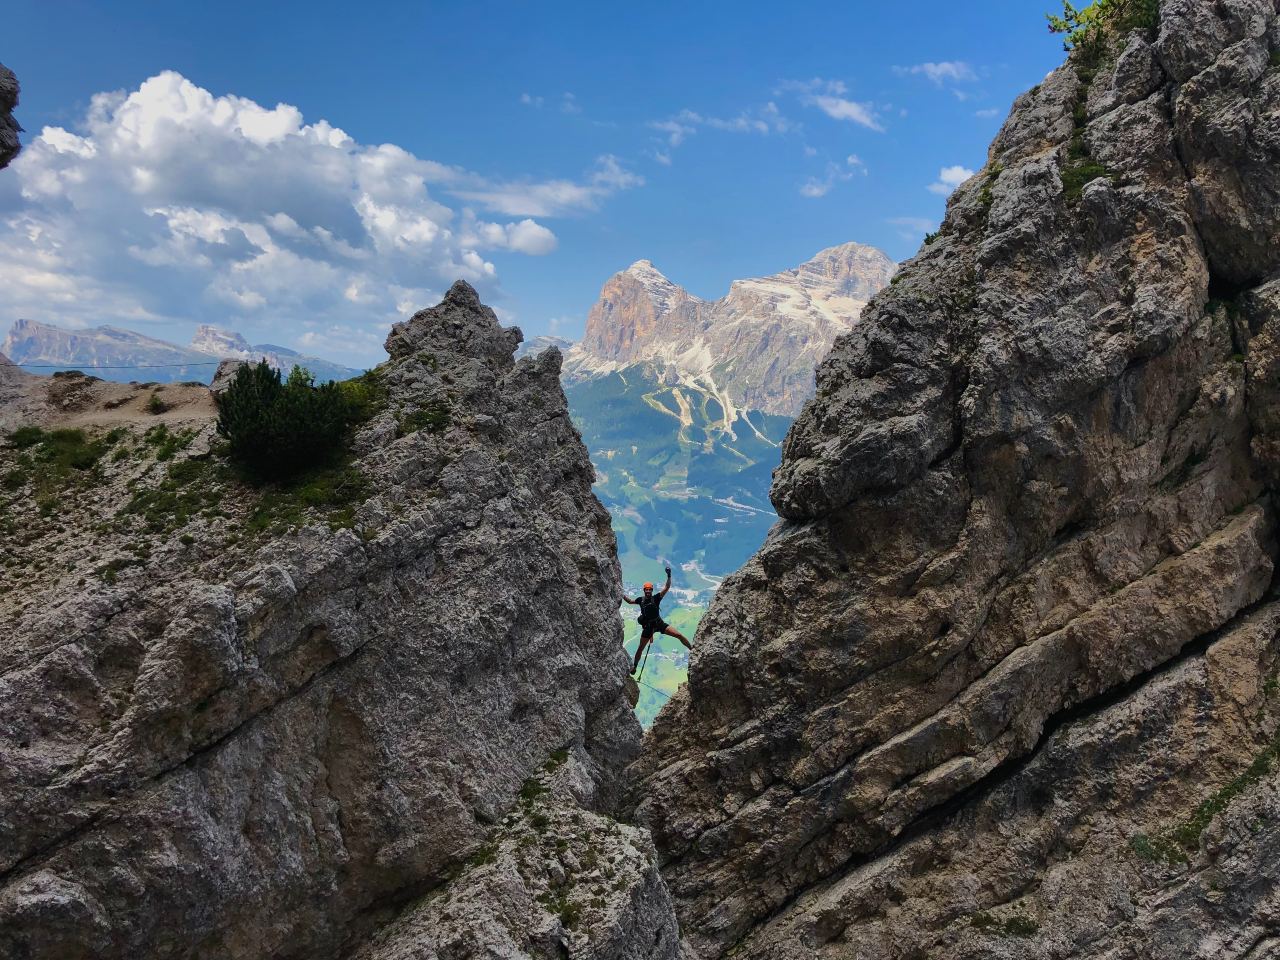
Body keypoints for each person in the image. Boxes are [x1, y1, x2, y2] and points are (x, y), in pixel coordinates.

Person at [624, 564, 691, 675]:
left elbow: (667, 587)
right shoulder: (640, 600)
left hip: (659, 624)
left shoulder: (656, 598)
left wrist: (669, 576)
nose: (648, 591)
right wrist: (620, 593)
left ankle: (692, 649)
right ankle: (634, 667)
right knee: (640, 648)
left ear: (652, 590)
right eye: (647, 590)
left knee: (678, 635)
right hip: (649, 628)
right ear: (644, 590)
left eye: (650, 590)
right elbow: (630, 601)